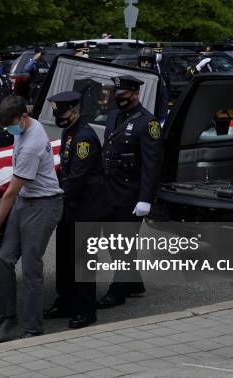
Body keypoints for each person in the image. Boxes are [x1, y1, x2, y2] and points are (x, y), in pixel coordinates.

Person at [0, 95, 63, 344]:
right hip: (25, 201)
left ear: (24, 117)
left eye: (12, 125)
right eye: (6, 126)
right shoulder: (22, 124)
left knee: (30, 268)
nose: (10, 130)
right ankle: (7, 318)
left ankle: (32, 328)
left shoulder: (33, 144)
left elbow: (11, 192)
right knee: (4, 259)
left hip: (44, 204)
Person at [43, 91, 109, 329]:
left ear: (76, 110)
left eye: (63, 112)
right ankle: (66, 301)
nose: (59, 117)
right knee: (65, 256)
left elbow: (77, 178)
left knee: (83, 260)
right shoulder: (69, 131)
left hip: (86, 208)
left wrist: (53, 197)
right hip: (71, 205)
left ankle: (85, 309)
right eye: (57, 113)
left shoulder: (84, 138)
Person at [97, 75, 163, 309]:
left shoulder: (148, 123)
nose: (119, 100)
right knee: (113, 241)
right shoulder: (114, 116)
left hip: (131, 193)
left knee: (122, 243)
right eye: (117, 95)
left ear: (135, 94)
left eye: (124, 96)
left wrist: (145, 199)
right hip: (110, 189)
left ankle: (118, 291)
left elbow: (152, 165)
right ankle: (133, 282)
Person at [137, 47, 169, 123]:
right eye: (144, 60)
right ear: (139, 60)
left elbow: (163, 100)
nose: (146, 63)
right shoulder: (132, 75)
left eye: (149, 61)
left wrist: (161, 119)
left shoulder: (157, 78)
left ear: (153, 62)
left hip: (151, 113)